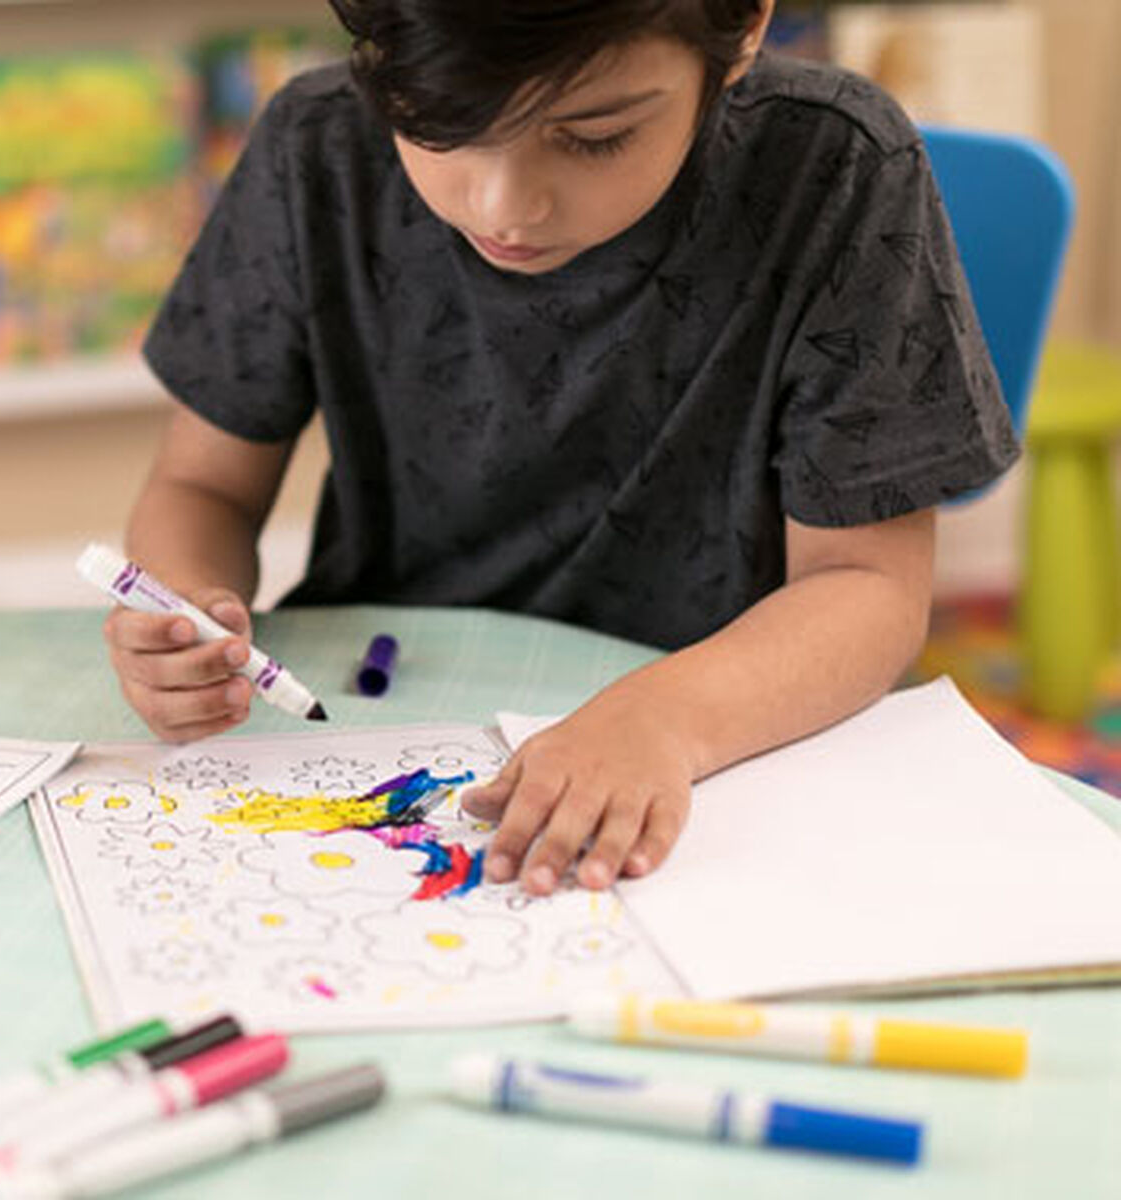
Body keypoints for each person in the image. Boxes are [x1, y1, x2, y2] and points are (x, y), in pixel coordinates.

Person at [105, 0, 1018, 896]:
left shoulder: (835, 167)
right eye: (440, 128)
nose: (506, 206)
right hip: (374, 714)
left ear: (740, 27)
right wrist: (181, 608)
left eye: (593, 137)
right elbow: (202, 486)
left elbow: (869, 589)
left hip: (726, 745)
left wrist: (664, 721)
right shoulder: (317, 148)